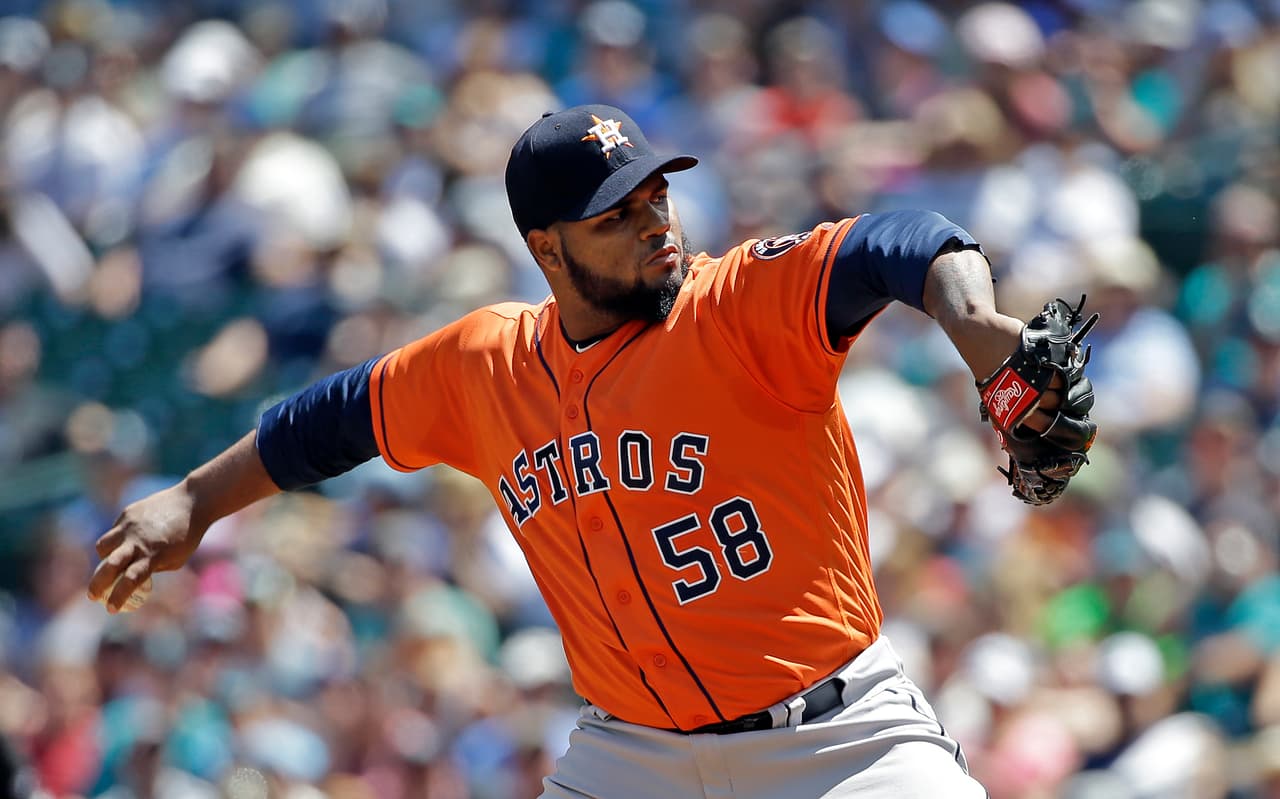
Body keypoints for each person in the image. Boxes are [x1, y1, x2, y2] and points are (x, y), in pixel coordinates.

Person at [89, 104, 1084, 797]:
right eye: (618, 216)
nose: (655, 225)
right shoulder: (485, 365)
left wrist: (970, 320)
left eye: (657, 197)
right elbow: (334, 417)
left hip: (837, 742)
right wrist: (195, 499)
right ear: (546, 248)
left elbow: (897, 241)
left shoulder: (733, 306)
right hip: (631, 759)